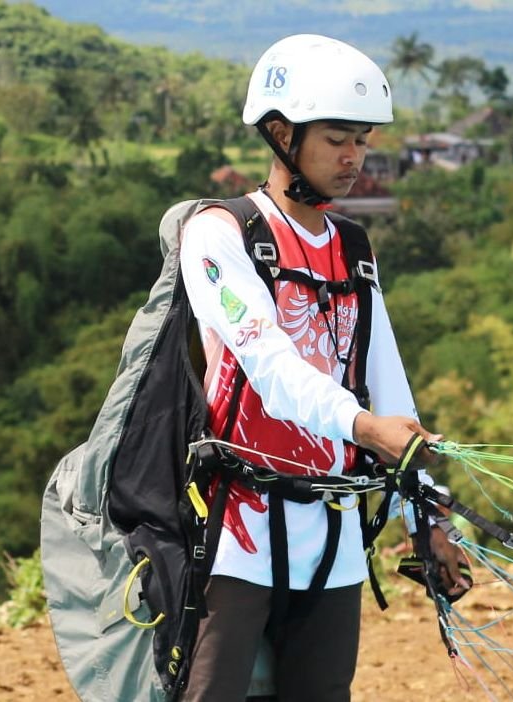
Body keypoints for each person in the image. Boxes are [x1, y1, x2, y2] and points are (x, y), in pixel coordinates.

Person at [177, 34, 469, 701]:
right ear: (280, 133)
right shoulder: (221, 233)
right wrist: (366, 429)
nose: (353, 157)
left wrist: (425, 517)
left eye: (362, 140)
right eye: (337, 137)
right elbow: (270, 367)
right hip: (236, 534)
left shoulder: (351, 246)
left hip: (333, 538)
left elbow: (384, 378)